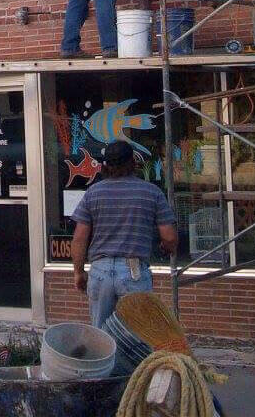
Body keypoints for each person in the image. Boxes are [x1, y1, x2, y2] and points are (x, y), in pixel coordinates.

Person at [70, 140, 178, 328]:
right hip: (133, 270)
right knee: (139, 334)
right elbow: (169, 237)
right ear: (133, 162)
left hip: (100, 270)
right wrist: (166, 248)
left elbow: (79, 238)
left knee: (102, 338)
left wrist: (79, 272)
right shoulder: (151, 192)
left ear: (105, 165)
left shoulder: (93, 193)